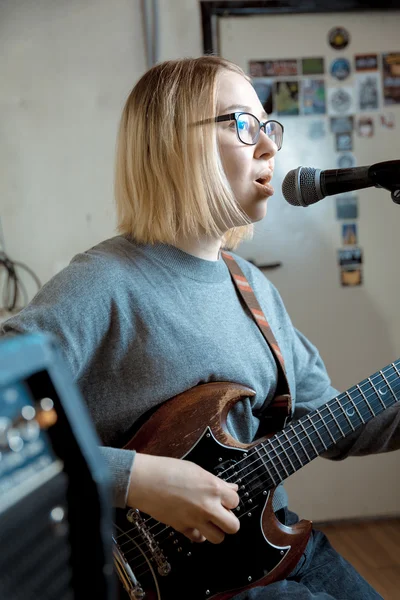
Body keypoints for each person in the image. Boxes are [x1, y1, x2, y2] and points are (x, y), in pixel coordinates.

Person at [2, 55, 399, 599]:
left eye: (269, 127)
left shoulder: (253, 287)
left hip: (270, 550)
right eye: (243, 123)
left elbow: (338, 419)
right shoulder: (103, 284)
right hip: (160, 580)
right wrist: (139, 479)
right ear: (172, 142)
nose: (269, 146)